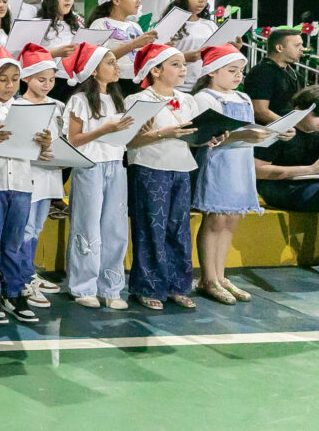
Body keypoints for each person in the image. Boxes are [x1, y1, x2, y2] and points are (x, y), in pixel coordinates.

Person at [125, 44, 221, 310]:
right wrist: (161, 134)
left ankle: (178, 286)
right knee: (151, 229)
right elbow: (128, 141)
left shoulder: (187, 99)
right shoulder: (137, 100)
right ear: (155, 70)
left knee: (179, 229)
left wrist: (209, 137)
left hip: (181, 168)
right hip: (150, 167)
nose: (183, 69)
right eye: (175, 65)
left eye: (184, 64)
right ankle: (148, 287)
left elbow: (190, 136)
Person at [0, 47, 52, 324]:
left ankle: (14, 292)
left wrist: (44, 144)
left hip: (22, 184)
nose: (9, 85)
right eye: (2, 79)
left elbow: (35, 152)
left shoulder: (27, 109)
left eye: (15, 79)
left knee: (14, 243)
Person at [192, 45, 275, 304]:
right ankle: (208, 278)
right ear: (212, 71)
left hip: (241, 163)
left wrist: (272, 133)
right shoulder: (205, 98)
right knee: (216, 220)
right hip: (218, 162)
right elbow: (206, 137)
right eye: (231, 70)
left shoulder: (244, 98)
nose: (238, 75)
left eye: (240, 70)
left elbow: (249, 130)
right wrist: (245, 135)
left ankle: (221, 275)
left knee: (231, 220)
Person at [61, 43, 133, 309]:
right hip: (90, 166)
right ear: (93, 70)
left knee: (115, 228)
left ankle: (110, 286)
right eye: (110, 62)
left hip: (116, 165)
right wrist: (104, 130)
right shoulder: (79, 100)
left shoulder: (117, 99)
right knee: (87, 225)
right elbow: (73, 139)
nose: (116, 67)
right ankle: (83, 285)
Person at [14, 44, 65, 308]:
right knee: (25, 227)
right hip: (28, 173)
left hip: (50, 173)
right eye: (41, 79)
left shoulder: (57, 105)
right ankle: (21, 278)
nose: (47, 85)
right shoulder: (18, 106)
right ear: (26, 78)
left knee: (37, 226)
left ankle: (29, 271)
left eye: (51, 80)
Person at [88, 0, 157, 95]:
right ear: (116, 0)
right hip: (114, 83)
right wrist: (133, 44)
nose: (139, 1)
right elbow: (96, 59)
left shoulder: (135, 26)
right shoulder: (100, 24)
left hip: (138, 81)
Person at [255, 85, 319, 212]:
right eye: (317, 115)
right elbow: (257, 170)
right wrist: (310, 169)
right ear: (299, 110)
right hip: (278, 186)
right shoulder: (279, 130)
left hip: (310, 184)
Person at [161, 0, 220, 91]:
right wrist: (183, 57)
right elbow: (156, 58)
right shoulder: (168, 25)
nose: (202, 0)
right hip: (177, 88)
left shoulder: (210, 25)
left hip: (205, 87)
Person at [36, 0, 80, 103]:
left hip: (76, 83)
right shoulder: (37, 24)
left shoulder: (76, 26)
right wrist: (54, 53)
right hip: (49, 83)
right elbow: (27, 58)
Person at [245, 28, 303, 123]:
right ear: (279, 48)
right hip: (270, 130)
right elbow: (259, 111)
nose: (302, 49)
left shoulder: (294, 74)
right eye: (297, 45)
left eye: (301, 45)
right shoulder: (262, 72)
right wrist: (288, 125)